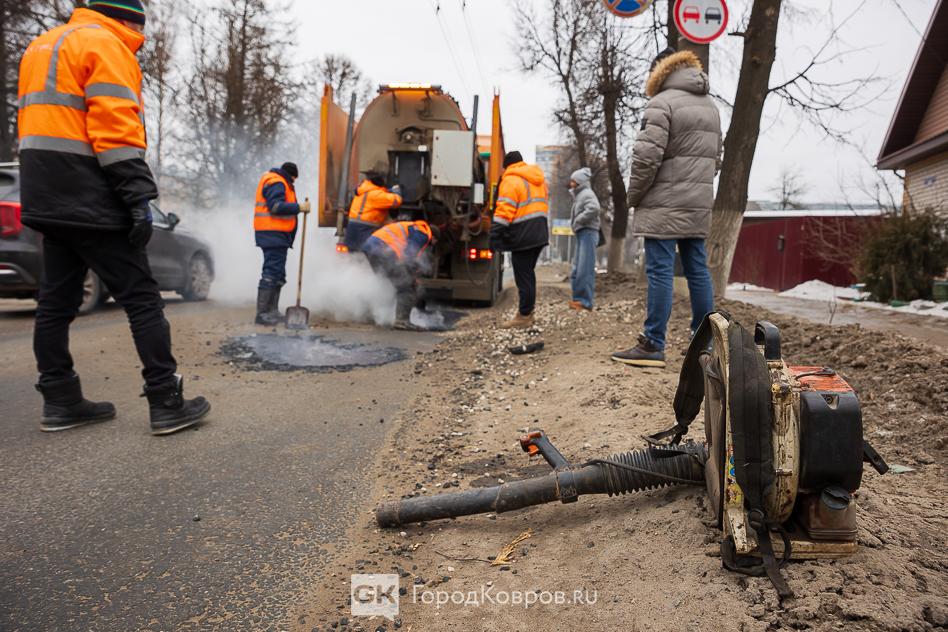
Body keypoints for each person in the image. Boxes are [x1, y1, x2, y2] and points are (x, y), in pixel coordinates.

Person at [18, 0, 210, 435]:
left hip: (45, 193)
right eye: (138, 30)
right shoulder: (106, 44)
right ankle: (166, 401)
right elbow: (115, 127)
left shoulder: (42, 45)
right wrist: (138, 195)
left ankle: (60, 400)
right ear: (126, 20)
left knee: (55, 303)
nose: (139, 41)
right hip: (92, 193)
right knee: (141, 299)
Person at [611, 48, 722, 369]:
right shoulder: (711, 107)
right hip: (697, 203)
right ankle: (704, 345)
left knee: (660, 270)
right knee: (697, 269)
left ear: (659, 72)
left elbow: (646, 158)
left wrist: (634, 196)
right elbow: (716, 158)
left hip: (662, 203)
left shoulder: (661, 103)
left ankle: (653, 344)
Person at [490, 151, 549, 329]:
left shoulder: (510, 180)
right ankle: (527, 313)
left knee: (523, 276)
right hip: (539, 232)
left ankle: (524, 316)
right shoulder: (537, 179)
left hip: (524, 235)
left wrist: (494, 236)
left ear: (506, 166)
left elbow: (504, 212)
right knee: (527, 274)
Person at [253, 162, 311, 325]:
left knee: (278, 274)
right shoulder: (277, 182)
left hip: (276, 235)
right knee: (271, 272)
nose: (294, 182)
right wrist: (299, 207)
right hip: (273, 233)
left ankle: (272, 311)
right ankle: (263, 314)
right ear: (291, 176)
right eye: (294, 179)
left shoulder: (277, 181)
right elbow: (276, 207)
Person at [362, 220, 439, 330]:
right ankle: (402, 321)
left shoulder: (414, 228)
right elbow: (409, 254)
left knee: (386, 284)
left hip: (371, 247)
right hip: (383, 249)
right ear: (434, 238)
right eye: (435, 242)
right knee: (406, 287)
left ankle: (370, 315)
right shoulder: (424, 233)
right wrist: (412, 277)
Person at [567, 167, 601, 311]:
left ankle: (585, 302)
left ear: (580, 181)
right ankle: (578, 300)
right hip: (583, 233)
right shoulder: (580, 194)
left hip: (588, 232)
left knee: (584, 269)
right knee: (577, 268)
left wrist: (578, 220)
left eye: (573, 181)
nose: (571, 183)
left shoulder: (586, 194)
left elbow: (594, 208)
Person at [344, 172, 403, 253]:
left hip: (353, 227)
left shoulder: (364, 191)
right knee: (368, 254)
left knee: (354, 254)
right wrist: (397, 191)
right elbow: (396, 201)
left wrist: (387, 191)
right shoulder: (376, 194)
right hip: (364, 229)